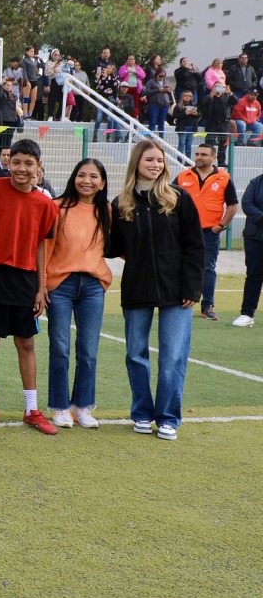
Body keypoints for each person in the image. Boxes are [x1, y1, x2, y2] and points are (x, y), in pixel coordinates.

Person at [109, 139, 204, 440]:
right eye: (149, 159)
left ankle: (167, 417)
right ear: (136, 161)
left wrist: (192, 287)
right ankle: (141, 412)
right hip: (137, 288)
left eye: (160, 160)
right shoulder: (121, 203)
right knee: (136, 354)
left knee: (173, 356)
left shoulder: (179, 198)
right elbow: (113, 248)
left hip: (178, 291)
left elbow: (194, 247)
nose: (156, 165)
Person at [0, 139, 61, 434]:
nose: (21, 168)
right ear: (8, 162)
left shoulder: (45, 204)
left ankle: (32, 410)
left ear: (38, 167)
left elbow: (40, 246)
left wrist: (41, 287)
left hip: (25, 279)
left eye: (28, 163)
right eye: (16, 162)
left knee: (26, 343)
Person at [44, 158, 111, 429]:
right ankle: (60, 407)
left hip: (93, 287)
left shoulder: (107, 210)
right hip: (60, 284)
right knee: (60, 348)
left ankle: (82, 406)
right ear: (74, 178)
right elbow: (45, 249)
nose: (87, 181)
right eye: (82, 175)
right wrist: (43, 285)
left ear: (102, 182)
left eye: (93, 176)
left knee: (88, 350)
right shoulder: (57, 207)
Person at [175, 145, 239, 322]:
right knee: (179, 264)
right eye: (196, 154)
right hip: (184, 231)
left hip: (209, 232)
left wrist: (221, 226)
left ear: (214, 157)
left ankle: (207, 306)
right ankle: (178, 300)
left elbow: (233, 205)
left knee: (208, 268)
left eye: (203, 154)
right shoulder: (183, 176)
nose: (199, 157)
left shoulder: (224, 178)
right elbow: (170, 200)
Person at [233, 171, 263, 328]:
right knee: (254, 275)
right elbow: (247, 204)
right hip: (255, 237)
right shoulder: (256, 182)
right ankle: (247, 313)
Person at [201, 82, 233, 164]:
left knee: (223, 143)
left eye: (219, 87)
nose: (217, 88)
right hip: (211, 123)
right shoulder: (208, 97)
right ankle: (208, 161)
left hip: (224, 123)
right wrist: (210, 97)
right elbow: (203, 107)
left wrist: (230, 93)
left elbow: (235, 102)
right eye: (215, 87)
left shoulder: (227, 96)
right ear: (212, 88)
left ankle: (221, 161)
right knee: (209, 142)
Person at [117, 55, 146, 121]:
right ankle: (124, 115)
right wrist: (127, 72)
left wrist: (136, 73)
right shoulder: (124, 67)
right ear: (127, 60)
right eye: (129, 59)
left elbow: (143, 76)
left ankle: (134, 117)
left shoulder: (137, 67)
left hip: (136, 88)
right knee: (125, 101)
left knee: (135, 103)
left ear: (134, 61)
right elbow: (120, 74)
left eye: (132, 59)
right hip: (126, 87)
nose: (131, 61)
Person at [144, 69, 174, 133]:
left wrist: (168, 90)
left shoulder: (167, 82)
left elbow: (171, 92)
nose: (162, 78)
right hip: (154, 104)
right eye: (160, 76)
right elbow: (146, 91)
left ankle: (161, 138)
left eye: (164, 76)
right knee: (153, 122)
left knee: (161, 123)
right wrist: (158, 90)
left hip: (165, 104)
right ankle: (151, 137)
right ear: (156, 75)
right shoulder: (151, 82)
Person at [173, 91, 200, 157]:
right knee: (181, 144)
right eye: (186, 95)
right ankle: (179, 160)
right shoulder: (178, 105)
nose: (188, 97)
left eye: (190, 96)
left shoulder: (194, 105)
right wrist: (185, 113)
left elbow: (200, 114)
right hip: (182, 128)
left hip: (192, 127)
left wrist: (196, 114)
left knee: (189, 145)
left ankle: (188, 161)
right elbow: (175, 115)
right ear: (182, 96)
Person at [20, 45, 43, 120]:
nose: (32, 53)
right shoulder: (24, 60)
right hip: (27, 80)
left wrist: (40, 59)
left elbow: (43, 66)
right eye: (31, 51)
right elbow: (24, 71)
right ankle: (25, 114)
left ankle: (30, 113)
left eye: (33, 51)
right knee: (26, 98)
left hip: (34, 80)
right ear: (27, 52)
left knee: (34, 98)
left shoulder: (35, 60)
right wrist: (26, 81)